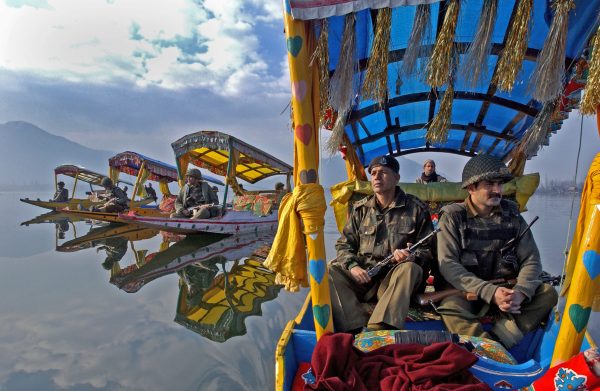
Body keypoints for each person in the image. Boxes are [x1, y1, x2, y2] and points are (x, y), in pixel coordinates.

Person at [436, 154, 558, 348]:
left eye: (499, 184)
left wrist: (520, 292)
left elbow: (531, 260)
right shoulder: (453, 217)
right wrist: (490, 292)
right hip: (465, 293)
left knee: (548, 293)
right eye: (489, 184)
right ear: (471, 187)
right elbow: (448, 265)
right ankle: (482, 347)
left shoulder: (512, 216)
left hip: (506, 292)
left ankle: (498, 342)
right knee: (450, 307)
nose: (497, 190)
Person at [328, 155, 434, 333]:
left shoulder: (416, 208)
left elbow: (430, 251)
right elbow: (344, 245)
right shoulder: (360, 209)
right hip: (364, 278)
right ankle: (353, 327)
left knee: (409, 268)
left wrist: (411, 256)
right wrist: (353, 266)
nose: (377, 177)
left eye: (383, 173)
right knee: (330, 270)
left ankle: (379, 328)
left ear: (396, 178)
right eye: (374, 173)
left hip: (395, 282)